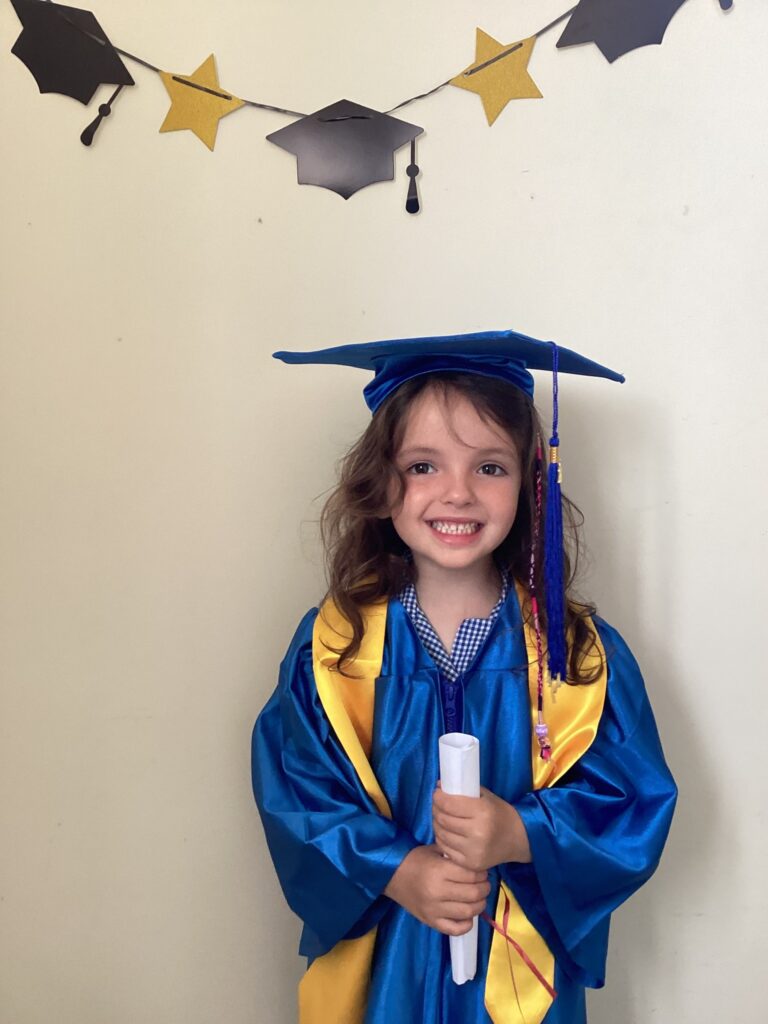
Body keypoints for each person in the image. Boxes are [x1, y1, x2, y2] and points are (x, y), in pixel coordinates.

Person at [251, 329, 677, 1024]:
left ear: (529, 484)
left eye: (490, 467)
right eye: (423, 466)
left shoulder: (575, 656)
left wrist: (521, 833)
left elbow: (633, 800)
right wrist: (399, 868)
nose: (457, 493)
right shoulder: (336, 648)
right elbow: (297, 788)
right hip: (386, 958)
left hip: (517, 969)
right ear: (382, 481)